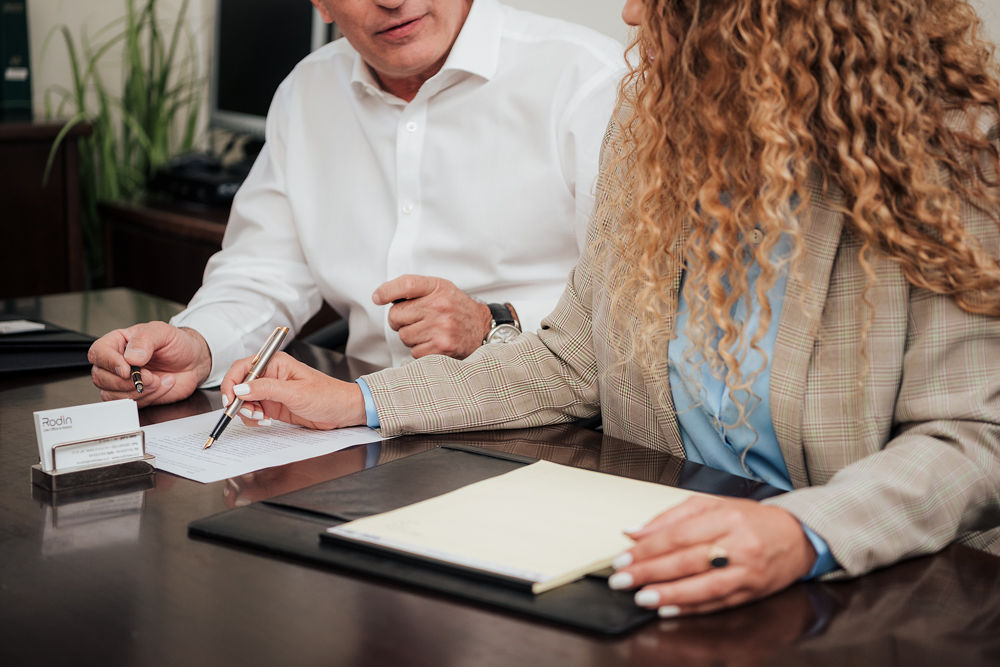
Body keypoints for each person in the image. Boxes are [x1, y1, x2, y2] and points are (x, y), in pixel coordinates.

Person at [223, 0, 1000, 617]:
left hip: (869, 588)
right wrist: (358, 400)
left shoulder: (950, 151)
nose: (629, 12)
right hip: (656, 558)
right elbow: (569, 358)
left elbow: (973, 438)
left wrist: (804, 531)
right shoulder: (651, 121)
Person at [88, 0, 623, 405]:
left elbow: (635, 312)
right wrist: (198, 343)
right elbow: (261, 272)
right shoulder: (307, 91)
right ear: (320, 4)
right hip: (359, 418)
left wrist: (494, 323)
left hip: (542, 421)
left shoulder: (586, 80)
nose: (392, 1)